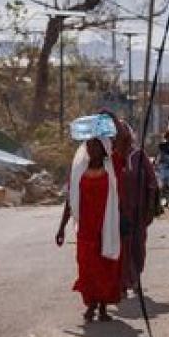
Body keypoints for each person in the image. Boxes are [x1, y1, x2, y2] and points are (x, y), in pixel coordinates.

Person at [55, 137, 121, 323]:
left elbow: (118, 198)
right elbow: (70, 201)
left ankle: (102, 307)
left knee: (105, 265)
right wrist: (61, 228)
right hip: (86, 229)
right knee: (87, 266)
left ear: (103, 148)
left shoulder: (112, 170)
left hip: (107, 226)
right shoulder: (78, 172)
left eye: (95, 146)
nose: (91, 149)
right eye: (89, 145)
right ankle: (91, 304)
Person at [107, 116, 159, 295]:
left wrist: (151, 207)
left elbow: (152, 182)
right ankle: (122, 283)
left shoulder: (139, 155)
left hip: (139, 210)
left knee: (137, 246)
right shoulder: (109, 158)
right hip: (117, 212)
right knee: (120, 247)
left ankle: (135, 277)